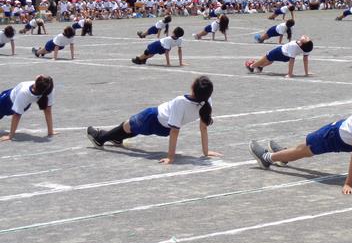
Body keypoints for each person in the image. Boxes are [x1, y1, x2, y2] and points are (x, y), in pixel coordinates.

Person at [249, 99, 352, 194]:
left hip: (334, 136)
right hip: (343, 132)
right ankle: (284, 155)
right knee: (304, 147)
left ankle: (267, 158)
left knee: (305, 149)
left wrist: (348, 183)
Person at [86, 76, 221, 164]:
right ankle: (116, 138)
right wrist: (206, 152)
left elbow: (175, 131)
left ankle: (99, 139)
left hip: (153, 117)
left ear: (193, 88)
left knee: (128, 125)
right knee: (131, 127)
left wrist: (171, 157)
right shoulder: (207, 102)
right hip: (163, 129)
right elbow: (203, 128)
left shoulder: (181, 101)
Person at [0, 75, 55, 141]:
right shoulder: (48, 89)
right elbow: (47, 110)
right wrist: (50, 132)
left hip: (6, 102)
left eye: (41, 76)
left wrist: (10, 136)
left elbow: (17, 115)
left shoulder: (24, 93)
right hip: (23, 103)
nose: (40, 75)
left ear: (36, 83)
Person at [245, 35, 313, 78]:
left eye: (303, 41)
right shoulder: (307, 48)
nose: (305, 38)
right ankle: (260, 67)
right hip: (286, 57)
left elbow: (292, 62)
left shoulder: (294, 46)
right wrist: (306, 73)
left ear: (301, 44)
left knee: (266, 57)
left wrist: (290, 74)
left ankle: (251, 66)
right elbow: (305, 60)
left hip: (280, 52)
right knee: (270, 60)